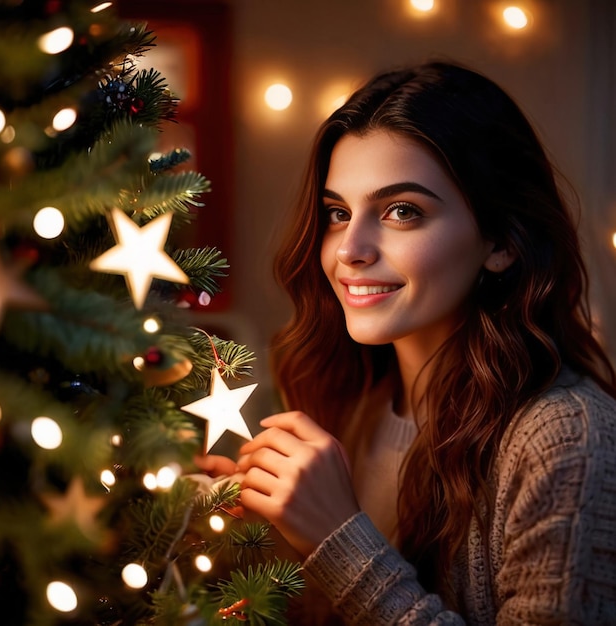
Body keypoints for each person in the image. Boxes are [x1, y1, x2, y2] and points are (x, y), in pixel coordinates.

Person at [197, 60, 616, 624]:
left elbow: (353, 569)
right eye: (339, 213)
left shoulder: (566, 441)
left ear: (501, 242)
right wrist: (261, 536)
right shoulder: (349, 406)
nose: (350, 249)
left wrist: (339, 542)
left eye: (402, 211)